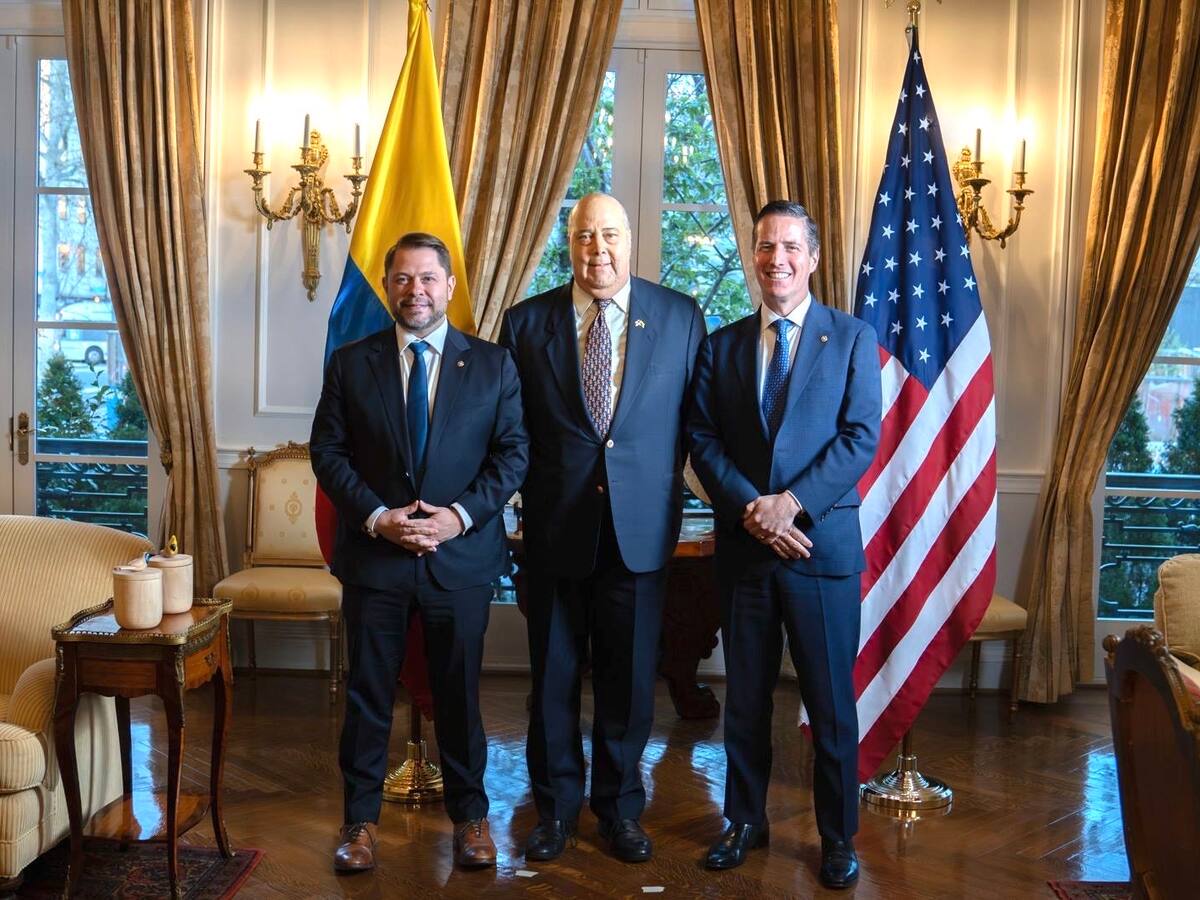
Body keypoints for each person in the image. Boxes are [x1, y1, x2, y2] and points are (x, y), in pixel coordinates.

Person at [310, 232, 528, 873]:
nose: (416, 291)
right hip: (376, 559)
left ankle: (470, 819)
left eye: (428, 278)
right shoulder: (352, 362)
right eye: (403, 279)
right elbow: (328, 453)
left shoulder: (492, 364)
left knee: (459, 693)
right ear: (387, 287)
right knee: (368, 694)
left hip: (458, 560)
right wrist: (379, 519)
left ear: (450, 285)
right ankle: (359, 823)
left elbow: (513, 453)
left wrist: (456, 519)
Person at [499, 192, 705, 863]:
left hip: (640, 533)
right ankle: (554, 812)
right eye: (585, 236)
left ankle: (619, 811)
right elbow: (513, 433)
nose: (599, 251)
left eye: (610, 234)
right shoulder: (527, 324)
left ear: (631, 238)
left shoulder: (678, 317)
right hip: (555, 532)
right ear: (569, 243)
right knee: (553, 682)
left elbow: (695, 426)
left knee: (628, 683)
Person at [687, 201, 881, 889]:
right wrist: (753, 508)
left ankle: (836, 836)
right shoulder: (723, 345)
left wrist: (790, 505)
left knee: (830, 704)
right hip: (746, 552)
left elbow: (860, 437)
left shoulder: (852, 338)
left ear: (814, 257)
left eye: (791, 246)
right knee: (744, 699)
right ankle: (744, 821)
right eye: (766, 246)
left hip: (820, 551)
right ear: (755, 254)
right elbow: (702, 438)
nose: (778, 259)